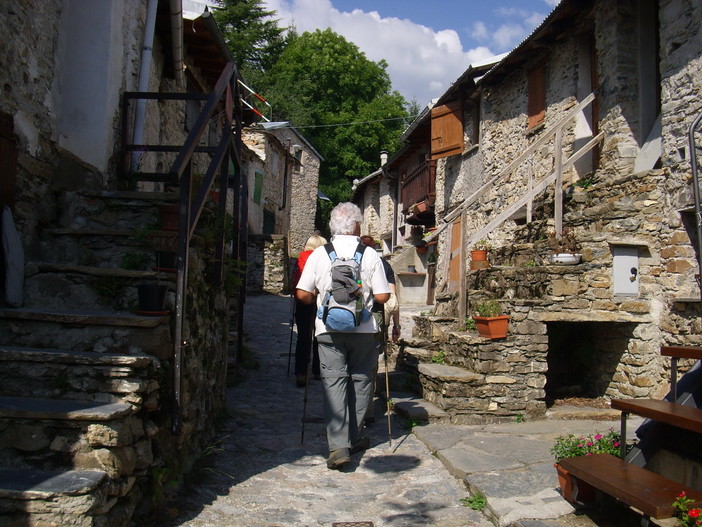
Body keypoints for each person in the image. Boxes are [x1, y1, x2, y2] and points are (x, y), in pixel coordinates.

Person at [295, 203, 390, 470]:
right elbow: (383, 296)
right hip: (363, 330)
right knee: (361, 383)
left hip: (328, 330)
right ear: (357, 226)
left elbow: (302, 294)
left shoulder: (319, 254)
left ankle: (338, 448)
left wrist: (318, 295)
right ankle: (355, 437)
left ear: (332, 226)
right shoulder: (370, 254)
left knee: (333, 385)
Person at [360, 235, 400, 424]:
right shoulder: (382, 264)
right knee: (371, 364)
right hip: (376, 320)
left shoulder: (350, 259)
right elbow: (391, 298)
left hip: (349, 318)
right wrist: (396, 325)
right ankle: (367, 410)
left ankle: (352, 409)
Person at [292, 234, 327, 387]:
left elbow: (296, 281)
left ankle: (301, 372)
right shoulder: (324, 258)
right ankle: (318, 370)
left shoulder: (301, 258)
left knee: (303, 337)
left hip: (303, 300)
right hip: (320, 300)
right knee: (319, 335)